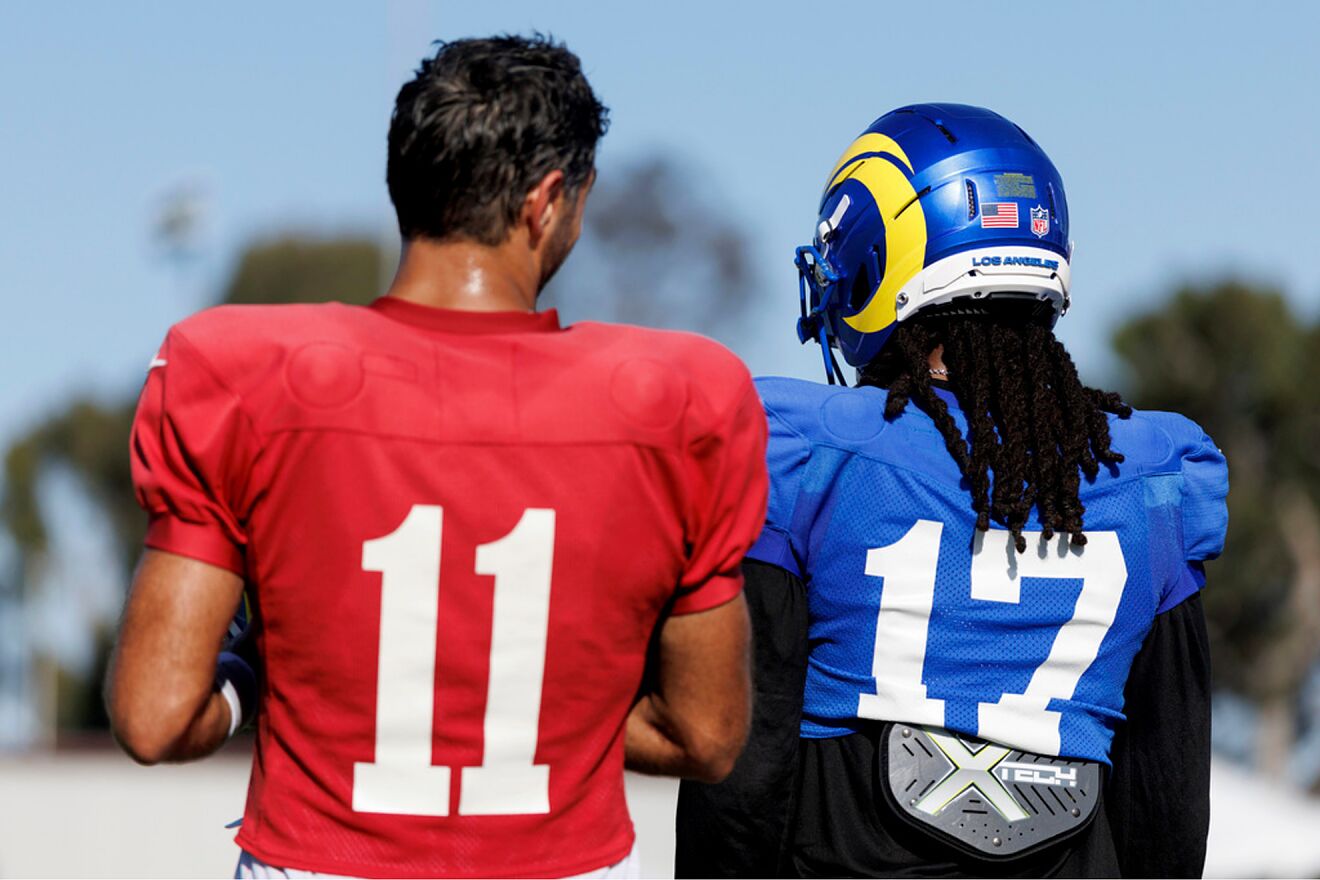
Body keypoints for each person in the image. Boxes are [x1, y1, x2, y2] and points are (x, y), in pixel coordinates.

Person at [106, 35, 769, 879]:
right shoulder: (679, 400)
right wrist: (559, 720)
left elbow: (156, 716)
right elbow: (705, 735)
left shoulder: (245, 374)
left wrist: (257, 672)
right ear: (548, 200)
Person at [675, 103, 1228, 878]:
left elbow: (744, 762)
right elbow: (1167, 803)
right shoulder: (1153, 479)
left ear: (883, 260)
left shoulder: (804, 450)